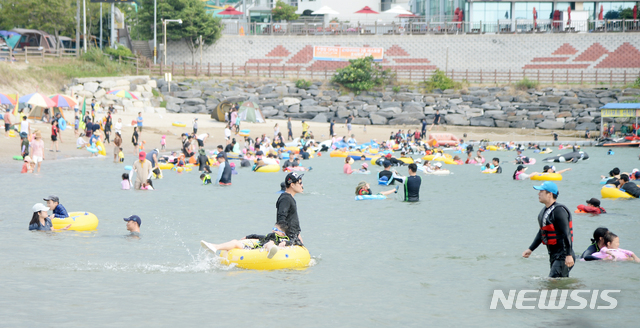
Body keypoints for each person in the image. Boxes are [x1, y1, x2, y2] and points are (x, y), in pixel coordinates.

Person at [522, 181, 575, 278]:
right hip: (553, 254)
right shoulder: (544, 212)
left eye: (541, 191)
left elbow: (567, 233)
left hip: (563, 254)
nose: (538, 193)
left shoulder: (559, 211)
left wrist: (568, 255)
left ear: (550, 194)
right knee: (558, 284)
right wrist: (530, 249)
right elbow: (542, 232)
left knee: (553, 282)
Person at [200, 223, 291, 259]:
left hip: (269, 246)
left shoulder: (284, 239)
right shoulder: (270, 236)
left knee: (270, 243)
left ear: (282, 233)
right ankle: (215, 247)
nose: (273, 230)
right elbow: (258, 236)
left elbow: (294, 242)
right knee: (235, 242)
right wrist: (248, 236)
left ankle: (272, 250)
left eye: (275, 229)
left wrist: (285, 243)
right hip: (255, 248)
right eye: (273, 228)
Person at [276, 173, 305, 246]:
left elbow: (292, 219)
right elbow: (281, 218)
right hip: (288, 238)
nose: (302, 185)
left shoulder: (290, 198)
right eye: (300, 183)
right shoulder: (286, 199)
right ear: (292, 185)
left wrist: (298, 234)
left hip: (294, 237)